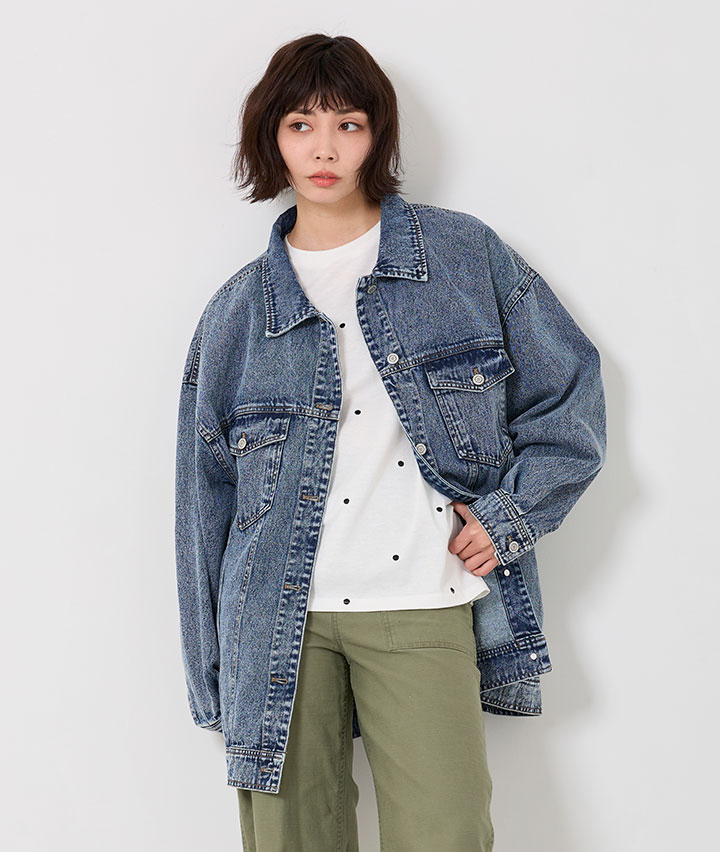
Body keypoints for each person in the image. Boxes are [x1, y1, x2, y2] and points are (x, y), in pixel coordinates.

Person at [174, 33, 606, 852]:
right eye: (300, 125)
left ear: (378, 136)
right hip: (277, 623)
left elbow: (570, 397)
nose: (324, 149)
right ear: (272, 138)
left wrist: (509, 517)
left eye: (348, 124)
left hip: (420, 605)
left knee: (446, 835)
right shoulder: (236, 314)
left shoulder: (462, 257)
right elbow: (203, 507)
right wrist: (214, 677)